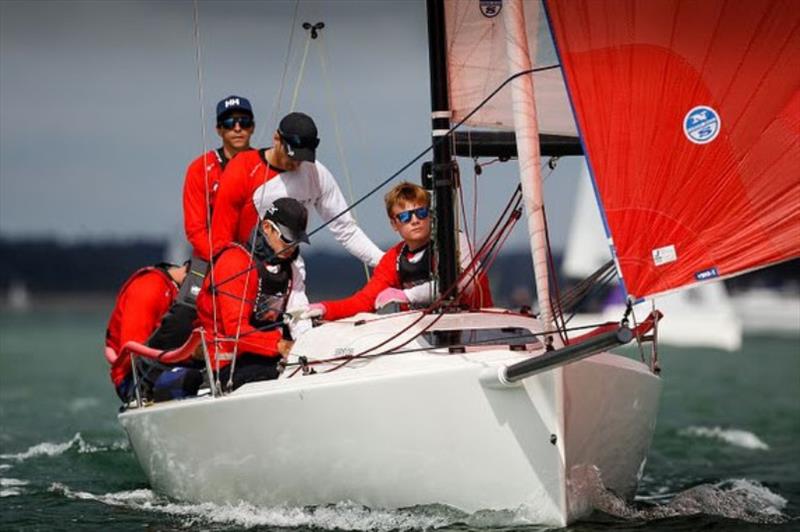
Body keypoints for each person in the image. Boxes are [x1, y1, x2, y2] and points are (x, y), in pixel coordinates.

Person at [298, 182, 493, 321]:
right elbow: (365, 301)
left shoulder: (454, 241)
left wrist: (408, 296)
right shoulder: (394, 258)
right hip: (425, 333)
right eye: (406, 216)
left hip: (474, 326)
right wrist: (325, 309)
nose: (415, 220)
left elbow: (463, 284)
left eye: (421, 213)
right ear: (394, 224)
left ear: (430, 215)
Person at [209, 111, 383, 267]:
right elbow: (221, 239)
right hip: (246, 269)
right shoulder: (242, 168)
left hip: (290, 272)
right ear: (277, 139)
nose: (296, 163)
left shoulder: (315, 173)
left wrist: (384, 262)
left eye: (302, 158)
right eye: (291, 156)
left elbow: (346, 230)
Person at [196, 197, 312, 390]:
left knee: (308, 368)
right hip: (225, 367)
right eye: (287, 239)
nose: (291, 248)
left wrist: (309, 345)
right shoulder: (234, 263)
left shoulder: (290, 269)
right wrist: (279, 345)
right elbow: (235, 331)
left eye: (296, 242)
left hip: (265, 356)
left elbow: (298, 314)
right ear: (267, 227)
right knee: (282, 372)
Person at [105, 263, 196, 401]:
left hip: (169, 365)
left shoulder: (175, 289)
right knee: (193, 379)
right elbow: (133, 354)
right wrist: (192, 353)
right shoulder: (149, 287)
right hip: (135, 379)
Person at [183, 95, 256, 261]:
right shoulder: (200, 168)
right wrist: (220, 258)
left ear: (252, 127)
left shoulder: (263, 165)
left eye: (244, 122)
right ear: (219, 129)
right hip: (211, 258)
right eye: (229, 123)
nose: (237, 128)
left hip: (257, 258)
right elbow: (195, 228)